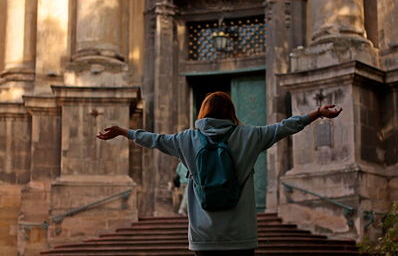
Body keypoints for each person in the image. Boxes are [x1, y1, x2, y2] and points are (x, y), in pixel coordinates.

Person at [96, 91, 342, 256]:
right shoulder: (250, 135)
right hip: (241, 235)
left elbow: (154, 140)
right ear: (231, 111)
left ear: (203, 111)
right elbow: (286, 126)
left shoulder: (187, 139)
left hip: (203, 236)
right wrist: (317, 113)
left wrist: (122, 131)